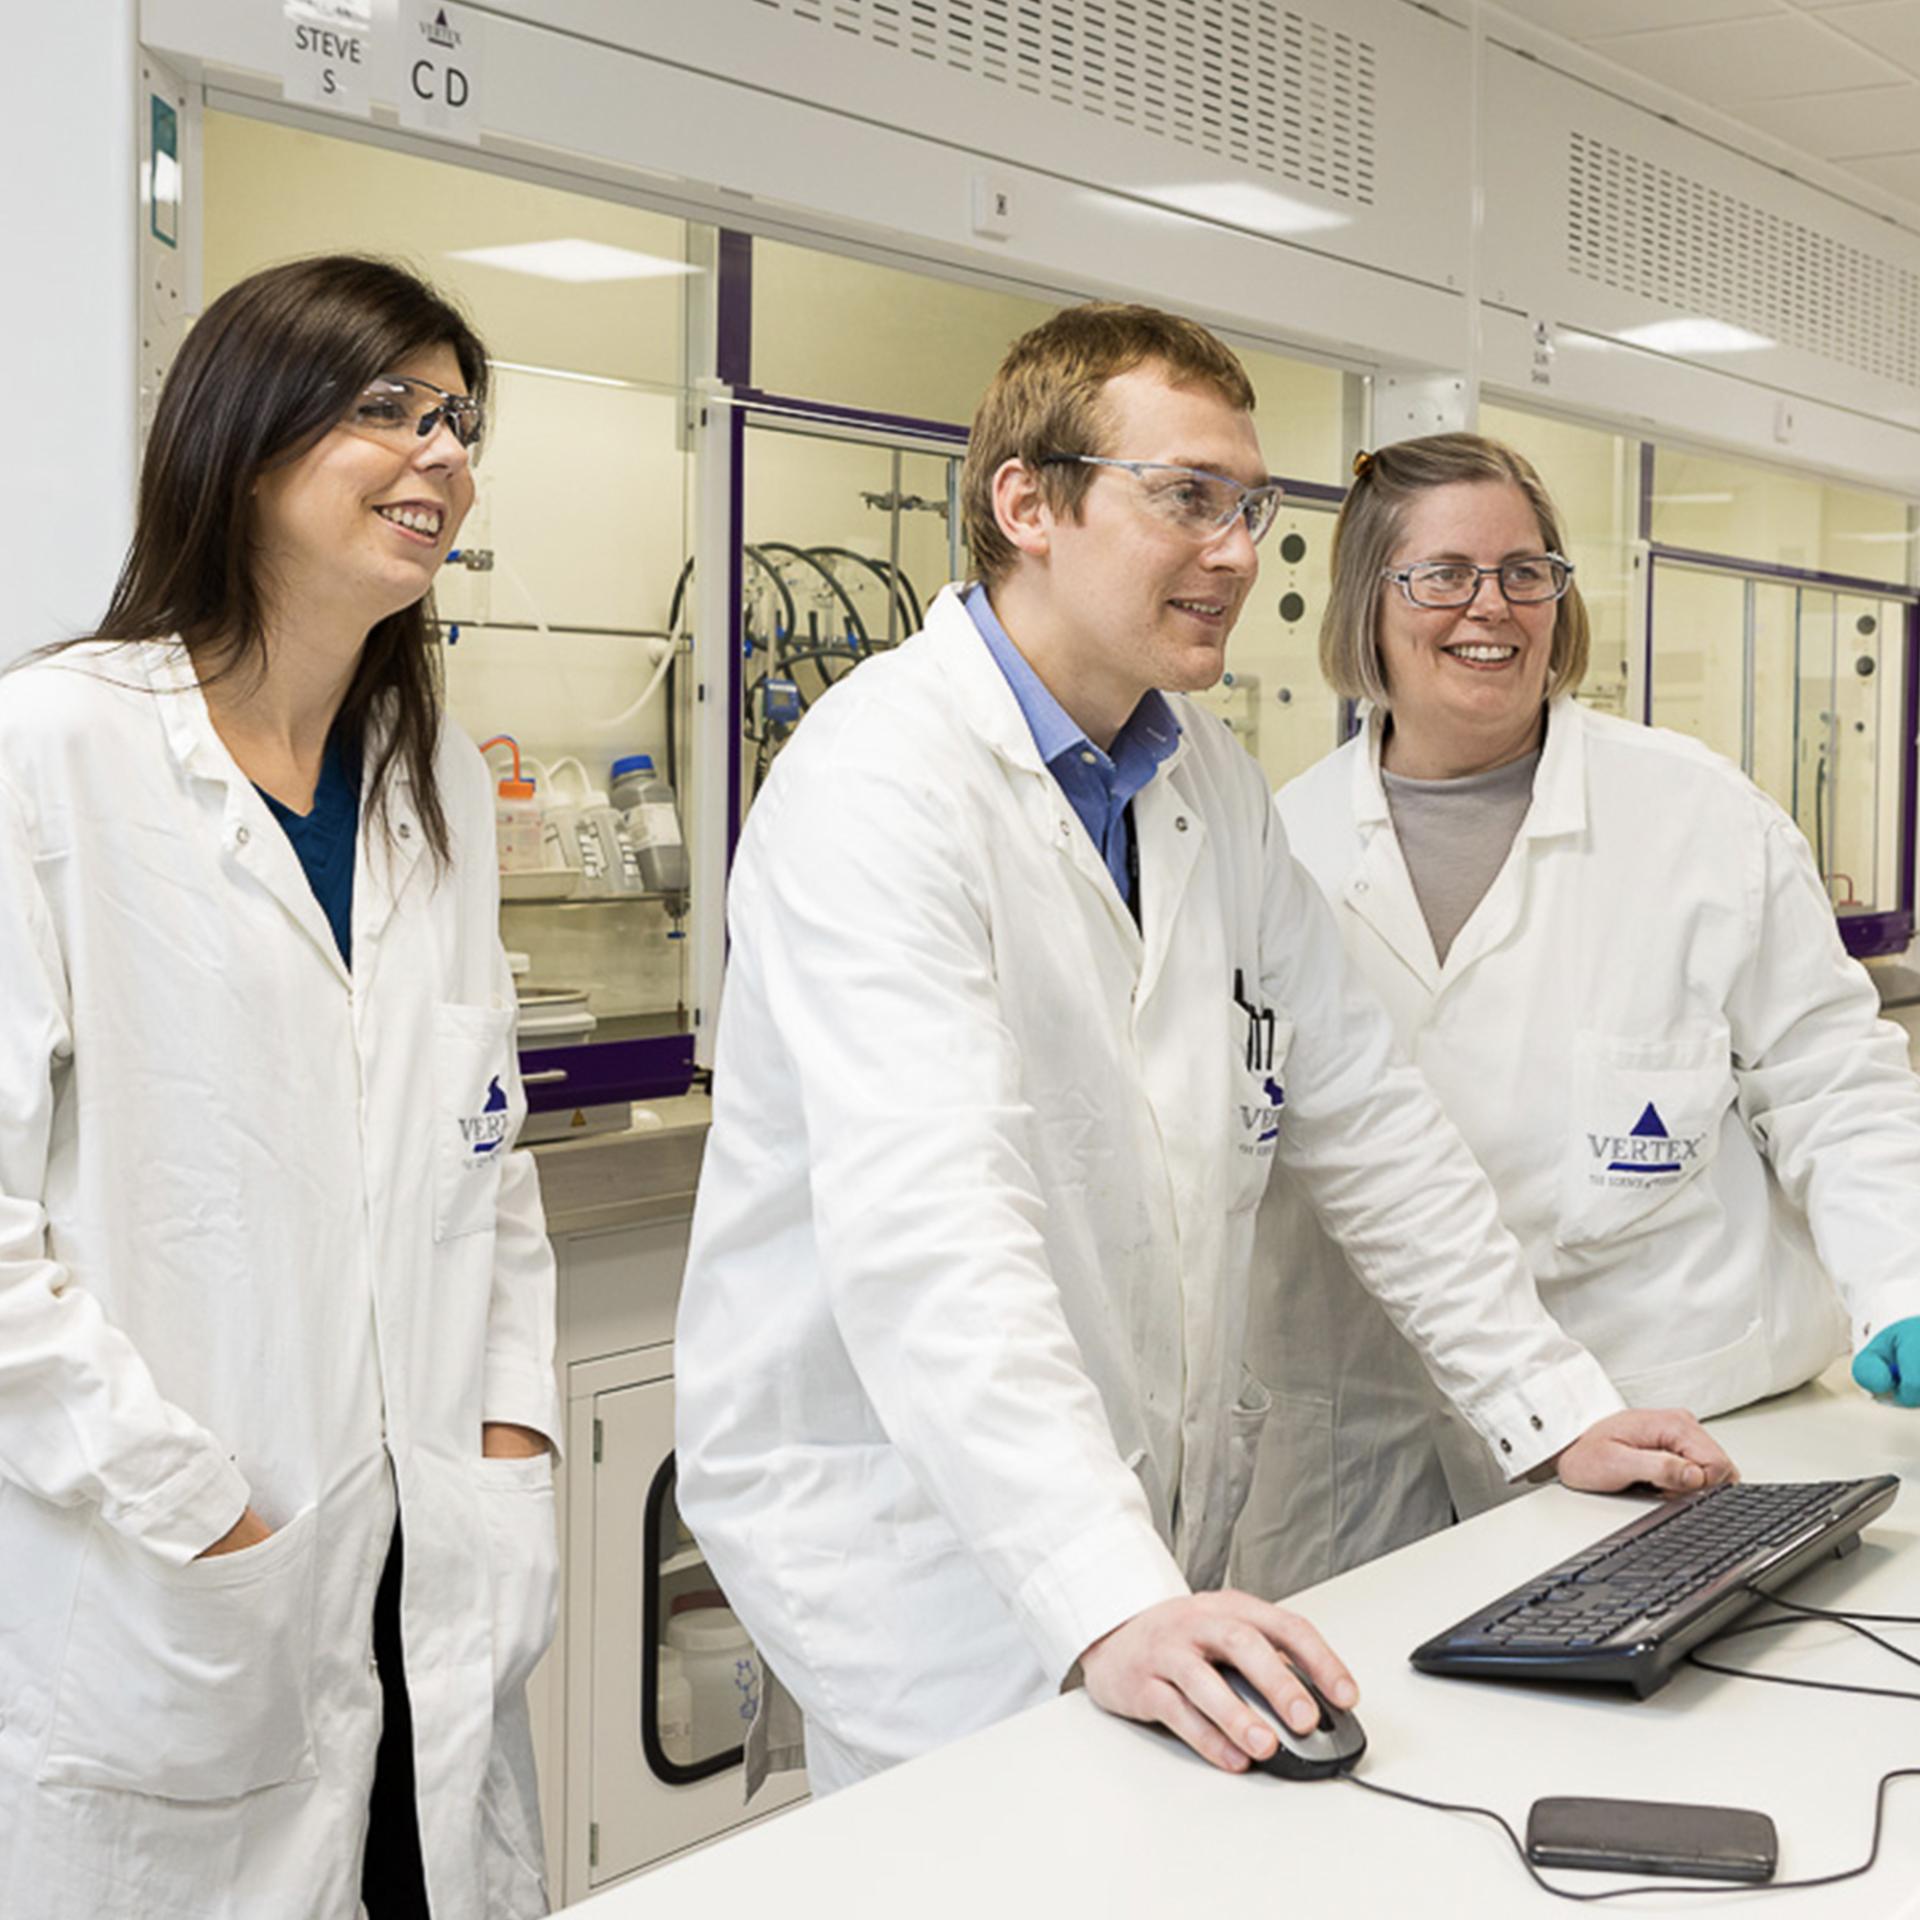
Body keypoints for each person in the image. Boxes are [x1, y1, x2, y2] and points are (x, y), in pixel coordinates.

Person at [673, 305, 1733, 1797]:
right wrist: (1102, 1586)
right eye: (1188, 498)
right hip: (925, 1553)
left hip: (1142, 1547)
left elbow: (1367, 1115)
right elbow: (933, 1231)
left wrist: (1554, 1411)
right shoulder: (880, 788)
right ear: (1026, 504)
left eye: (1253, 505)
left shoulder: (1202, 784)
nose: (1238, 549)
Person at [0, 256, 560, 1919]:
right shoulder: (57, 752)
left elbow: (489, 1169)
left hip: (423, 1582)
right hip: (184, 1582)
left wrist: (511, 1442)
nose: (444, 454)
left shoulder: (429, 780)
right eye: (386, 407)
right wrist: (195, 1504)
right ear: (244, 445)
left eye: (458, 418)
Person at [1234, 432, 1920, 1603]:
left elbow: (1830, 1078)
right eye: (1440, 574)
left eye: (1525, 570)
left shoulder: (1699, 817)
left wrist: (1902, 1276)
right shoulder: (1273, 847)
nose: (1489, 607)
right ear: (1366, 605)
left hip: (1686, 1411)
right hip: (1373, 1443)